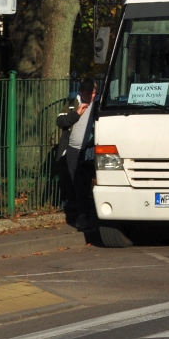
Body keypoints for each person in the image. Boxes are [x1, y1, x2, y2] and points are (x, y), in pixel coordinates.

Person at [56, 77, 98, 231]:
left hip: (90, 149)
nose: (91, 97)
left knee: (87, 182)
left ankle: (86, 215)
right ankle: (82, 215)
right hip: (73, 150)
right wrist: (76, 114)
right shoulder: (74, 103)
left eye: (93, 93)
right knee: (77, 182)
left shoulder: (98, 103)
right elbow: (60, 122)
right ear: (81, 92)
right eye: (88, 94)